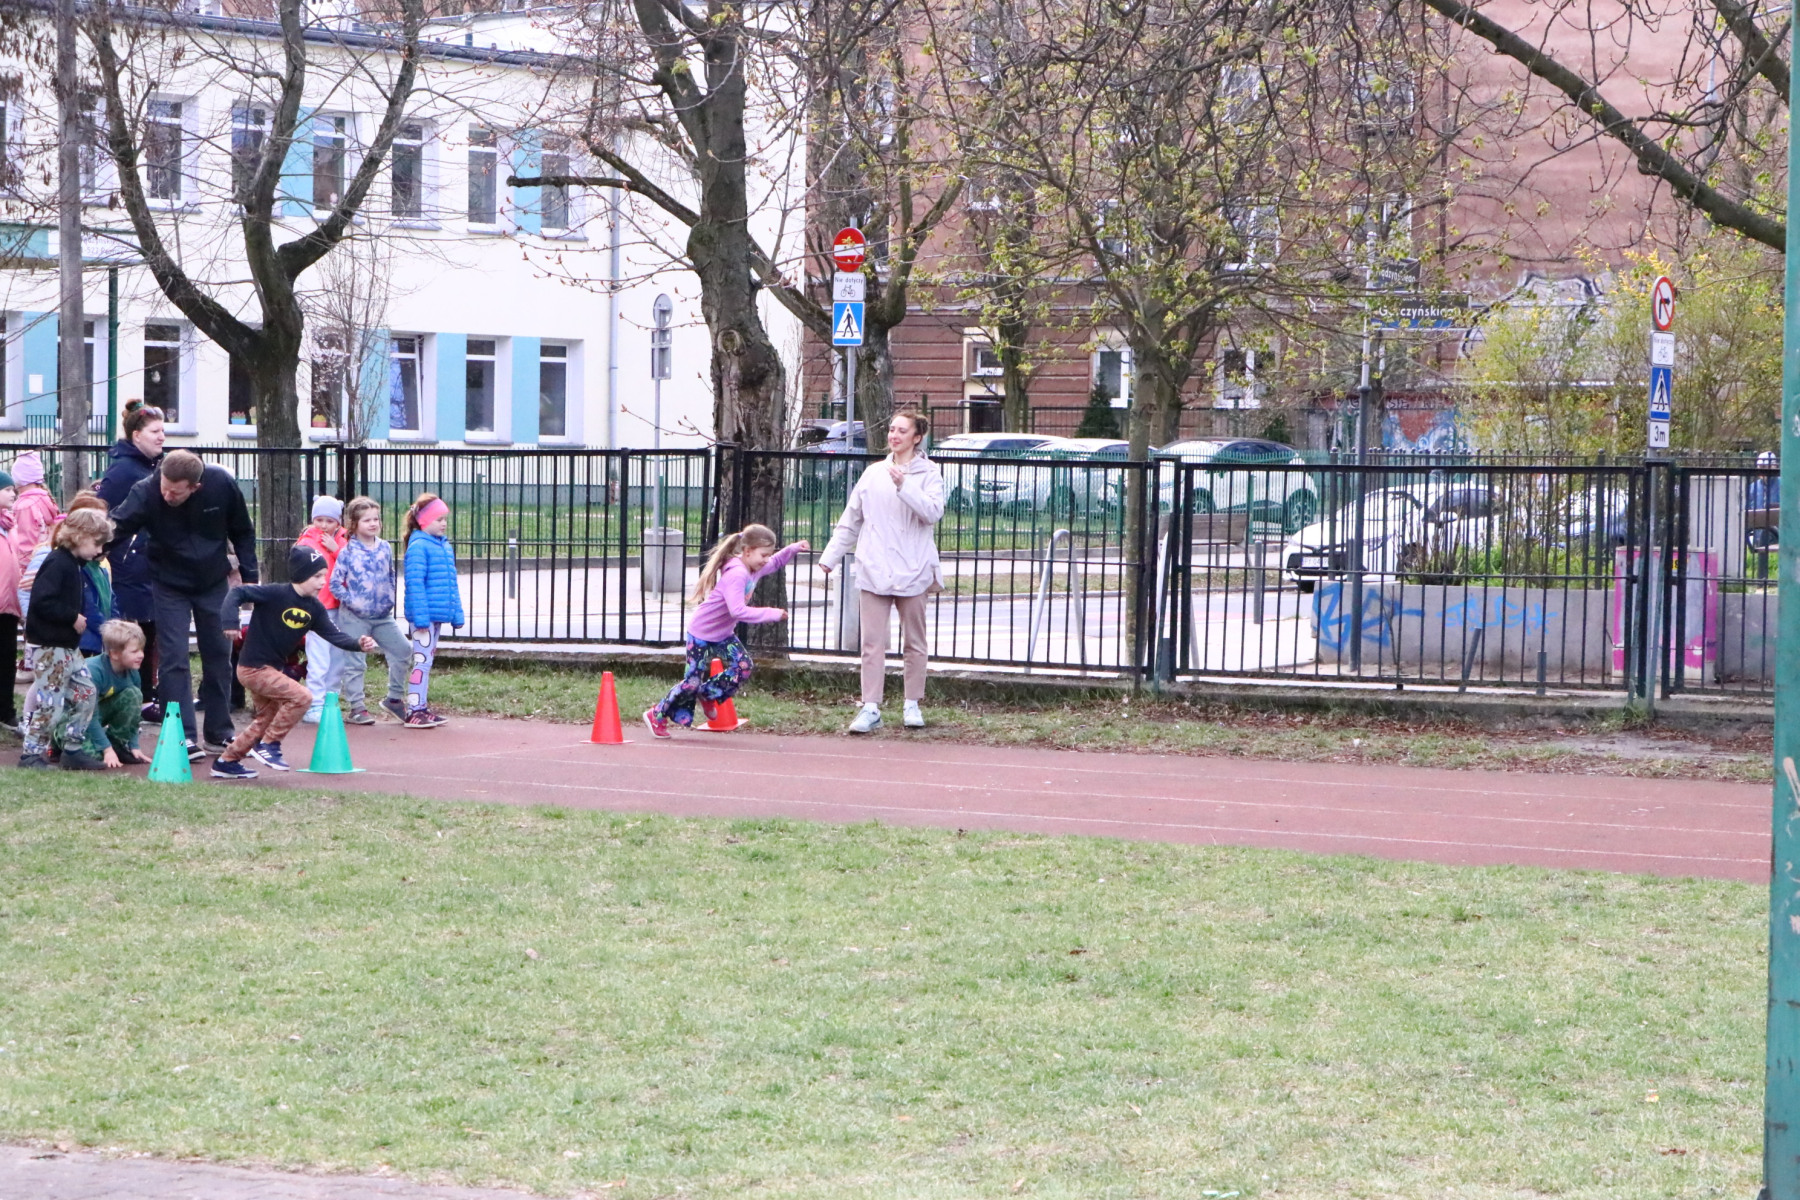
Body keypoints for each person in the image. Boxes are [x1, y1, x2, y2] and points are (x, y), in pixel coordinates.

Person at [107, 449, 259, 761]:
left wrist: (250, 576)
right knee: (174, 657)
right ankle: (182, 734)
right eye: (164, 487)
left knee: (218, 653)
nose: (167, 496)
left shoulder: (221, 485)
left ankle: (219, 731)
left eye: (175, 492)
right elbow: (118, 526)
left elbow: (242, 530)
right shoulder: (147, 490)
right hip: (169, 582)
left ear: (195, 487)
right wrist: (84, 548)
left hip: (212, 580)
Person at [818, 410, 945, 734]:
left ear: (917, 437)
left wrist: (905, 485)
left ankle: (912, 703)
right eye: (891, 429)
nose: (894, 435)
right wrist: (831, 556)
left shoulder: (930, 473)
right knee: (872, 642)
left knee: (914, 641)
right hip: (874, 567)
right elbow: (852, 518)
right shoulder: (873, 473)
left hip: (914, 568)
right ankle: (870, 707)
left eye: (902, 430)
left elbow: (932, 513)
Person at [210, 546, 377, 780]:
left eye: (324, 576)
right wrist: (230, 622)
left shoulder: (314, 608)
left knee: (266, 718)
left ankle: (226, 762)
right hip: (253, 668)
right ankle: (269, 744)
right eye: (317, 576)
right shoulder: (275, 593)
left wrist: (358, 644)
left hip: (271, 670)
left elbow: (334, 635)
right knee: (302, 697)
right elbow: (237, 593)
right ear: (301, 575)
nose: (323, 582)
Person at [641, 524, 806, 738]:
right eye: (763, 555)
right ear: (748, 551)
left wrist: (793, 548)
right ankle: (656, 714)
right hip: (701, 633)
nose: (766, 559)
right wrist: (771, 613)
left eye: (768, 554)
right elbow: (737, 610)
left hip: (723, 634)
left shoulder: (754, 568)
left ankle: (708, 694)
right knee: (691, 683)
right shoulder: (737, 574)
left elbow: (775, 562)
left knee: (744, 666)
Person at [19, 508, 113, 771]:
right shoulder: (58, 562)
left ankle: (73, 748)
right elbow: (42, 601)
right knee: (51, 701)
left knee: (86, 693)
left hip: (68, 647)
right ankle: (31, 754)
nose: (99, 550)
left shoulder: (75, 565)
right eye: (96, 543)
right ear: (79, 536)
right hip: (51, 646)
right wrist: (72, 617)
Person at [95, 401, 166, 719]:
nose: (161, 437)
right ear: (136, 435)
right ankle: (134, 695)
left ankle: (146, 693)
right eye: (155, 431)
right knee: (133, 630)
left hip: (148, 561)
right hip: (128, 563)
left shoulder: (153, 468)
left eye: (163, 431)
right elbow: (105, 515)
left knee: (150, 630)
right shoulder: (123, 472)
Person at [329, 497, 412, 725]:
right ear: (354, 524)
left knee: (403, 650)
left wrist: (389, 598)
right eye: (367, 520)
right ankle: (357, 707)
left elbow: (390, 575)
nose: (373, 523)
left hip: (382, 615)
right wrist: (353, 601)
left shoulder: (385, 547)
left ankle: (394, 698)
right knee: (355, 662)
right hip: (354, 616)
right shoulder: (348, 551)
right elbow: (335, 583)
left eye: (376, 519)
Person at [400, 493, 462, 729]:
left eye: (445, 519)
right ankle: (414, 710)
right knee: (421, 662)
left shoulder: (443, 546)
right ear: (424, 521)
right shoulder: (419, 547)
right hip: (423, 618)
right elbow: (415, 583)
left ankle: (421, 706)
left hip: (435, 616)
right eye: (439, 519)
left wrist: (456, 613)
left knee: (426, 661)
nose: (444, 524)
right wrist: (421, 617)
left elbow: (451, 583)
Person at [295, 496, 347, 724]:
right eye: (319, 520)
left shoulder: (344, 540)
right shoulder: (307, 541)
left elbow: (352, 565)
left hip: (339, 606)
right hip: (317, 607)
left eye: (329, 521)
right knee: (318, 657)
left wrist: (337, 550)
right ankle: (314, 702)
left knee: (337, 657)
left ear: (338, 521)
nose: (324, 525)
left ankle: (330, 700)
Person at [84, 618, 151, 768]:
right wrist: (106, 750)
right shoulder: (93, 671)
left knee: (134, 694)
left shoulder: (133, 672)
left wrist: (134, 746)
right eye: (134, 651)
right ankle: (59, 744)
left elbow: (135, 714)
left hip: (96, 718)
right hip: (73, 721)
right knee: (95, 756)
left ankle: (118, 744)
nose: (141, 655)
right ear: (114, 654)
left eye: (141, 650)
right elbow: (89, 714)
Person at [9, 451, 58, 579]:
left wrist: (21, 573)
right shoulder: (45, 499)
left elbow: (25, 544)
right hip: (44, 562)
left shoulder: (25, 505)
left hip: (29, 569)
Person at [0, 469, 18, 730]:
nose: (13, 493)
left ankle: (6, 710)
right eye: (6, 490)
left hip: (9, 605)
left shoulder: (8, 525)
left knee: (7, 659)